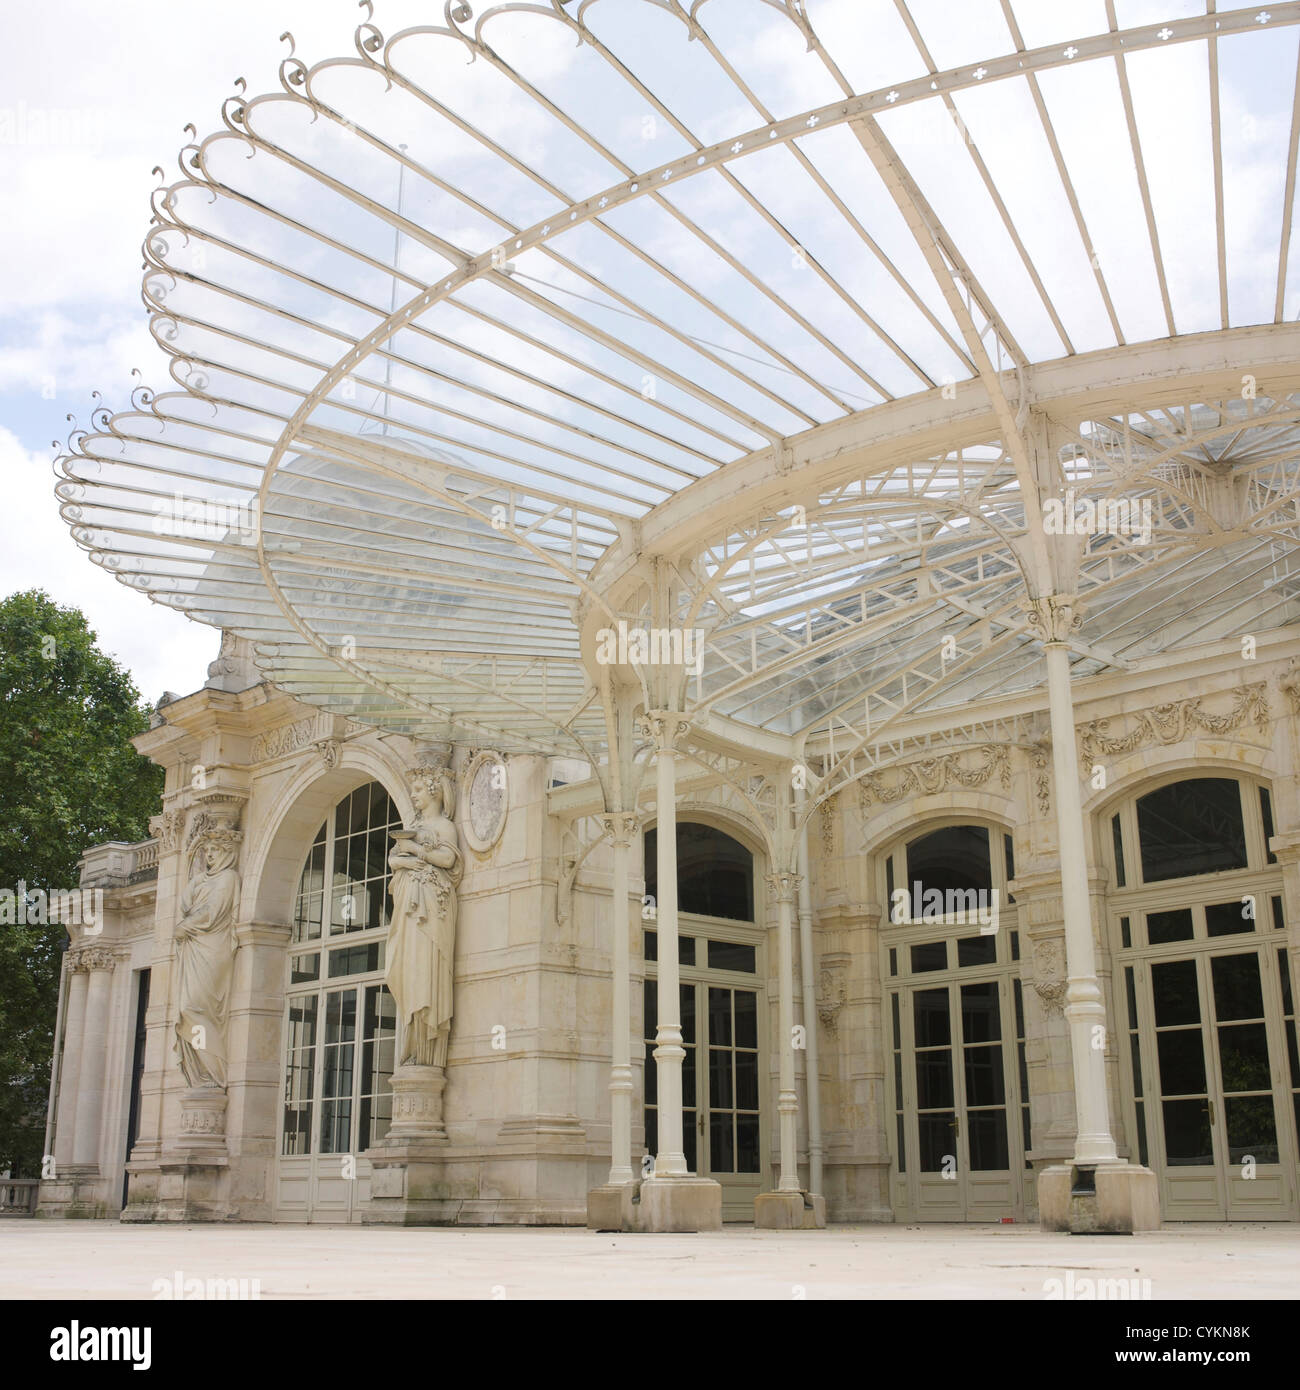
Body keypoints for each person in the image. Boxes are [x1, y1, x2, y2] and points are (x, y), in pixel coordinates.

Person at [386, 769, 462, 1067]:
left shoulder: (445, 826)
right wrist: (405, 859)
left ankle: (428, 1049)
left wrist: (415, 850)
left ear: (434, 791)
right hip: (409, 903)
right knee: (407, 970)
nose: (413, 794)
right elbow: (393, 859)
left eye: (418, 789)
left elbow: (448, 859)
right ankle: (413, 1041)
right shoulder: (413, 826)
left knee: (427, 970)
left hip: (432, 905)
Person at [174, 832, 241, 1088]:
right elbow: (183, 904)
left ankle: (215, 1070)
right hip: (194, 946)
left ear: (228, 852)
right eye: (208, 849)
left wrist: (186, 924)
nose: (210, 854)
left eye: (215, 849)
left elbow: (212, 912)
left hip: (212, 948)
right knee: (187, 1007)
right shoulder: (201, 880)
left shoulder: (228, 878)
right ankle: (201, 1074)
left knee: (194, 1007)